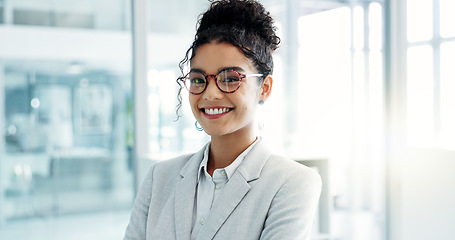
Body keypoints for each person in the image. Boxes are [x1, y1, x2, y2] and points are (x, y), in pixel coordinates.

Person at [124, 0, 322, 239]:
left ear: (264, 88)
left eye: (230, 78)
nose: (210, 93)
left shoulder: (292, 183)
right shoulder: (160, 178)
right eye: (198, 79)